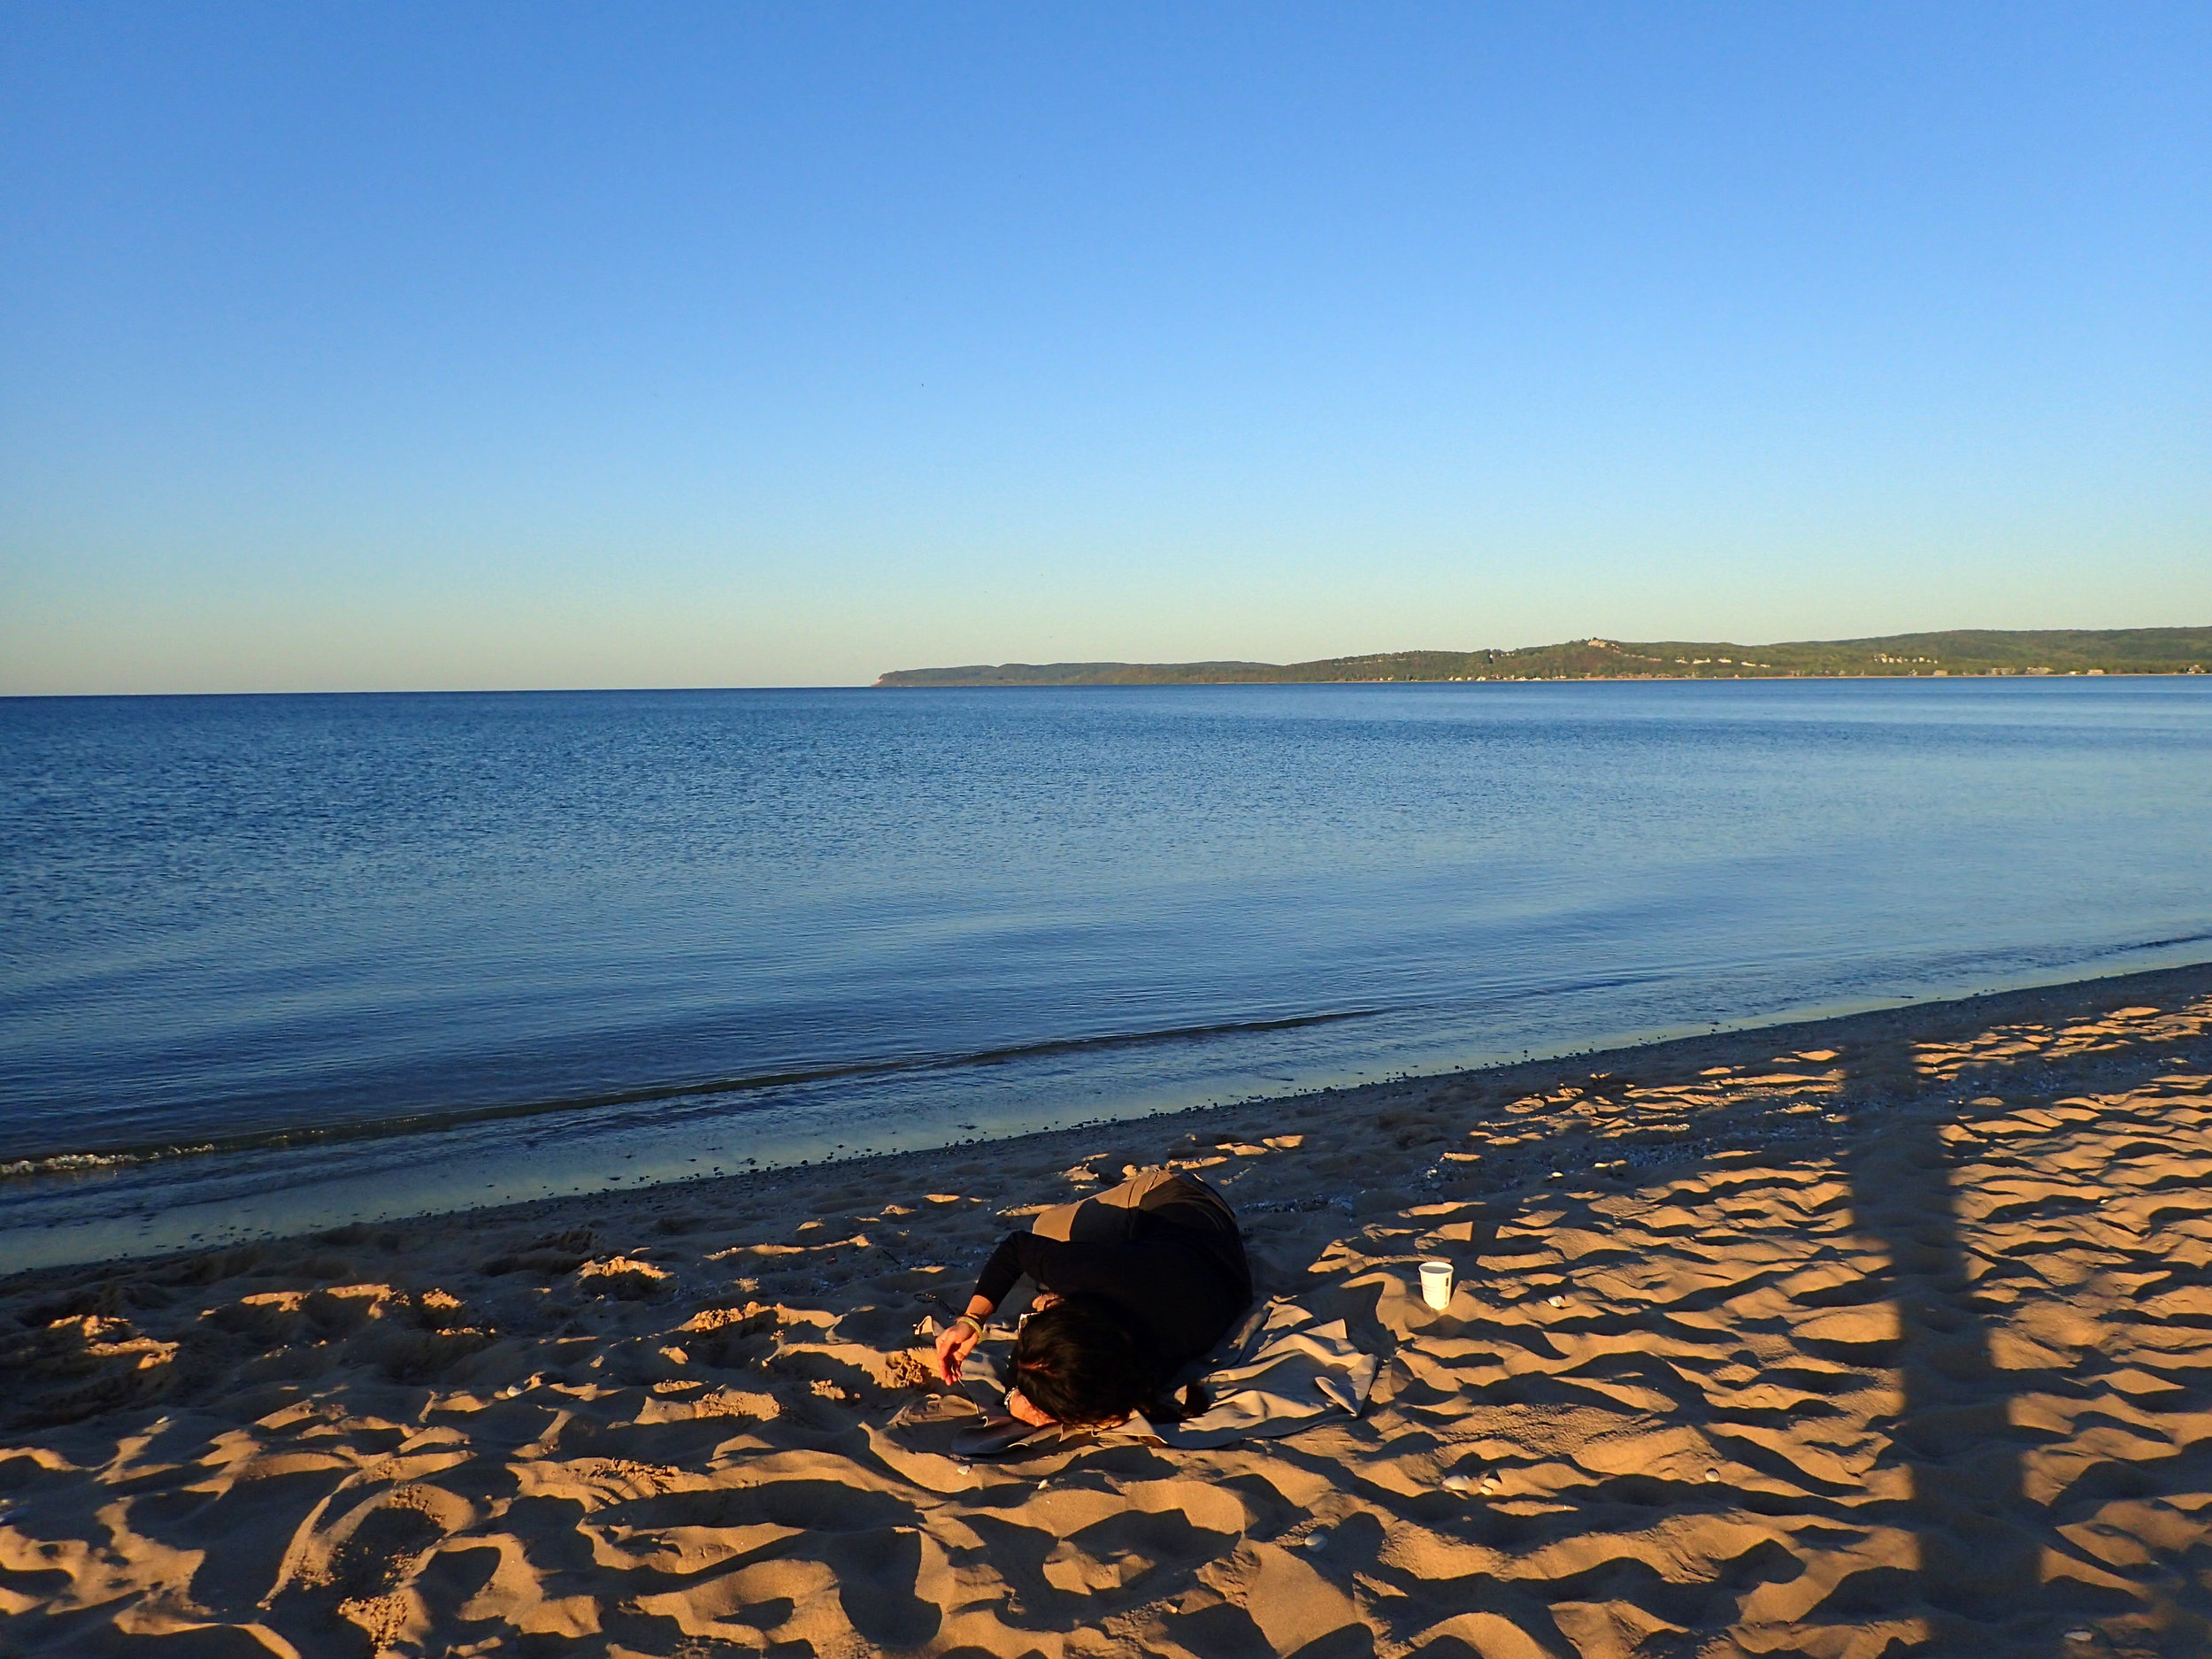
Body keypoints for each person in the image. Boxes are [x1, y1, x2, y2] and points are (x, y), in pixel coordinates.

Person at [933, 1167, 1252, 1429]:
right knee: (1044, 1228)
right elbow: (1017, 1247)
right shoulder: (1092, 1276)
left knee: (1050, 1232)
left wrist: (1014, 1396)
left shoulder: (1146, 1368)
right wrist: (971, 1321)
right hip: (1184, 1204)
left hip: (1187, 1228)